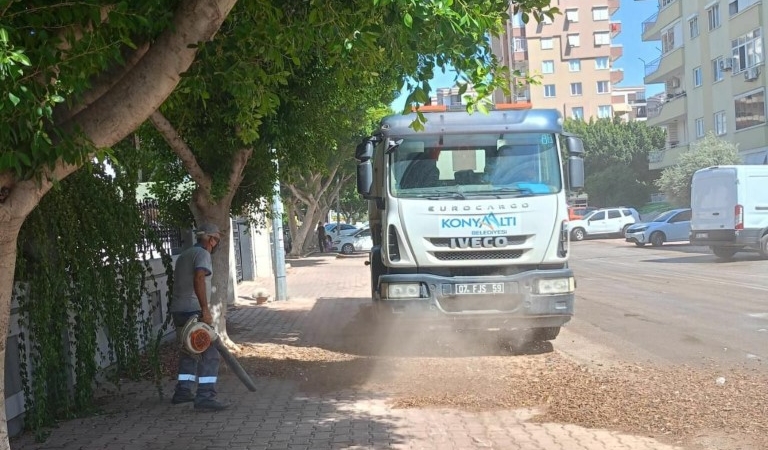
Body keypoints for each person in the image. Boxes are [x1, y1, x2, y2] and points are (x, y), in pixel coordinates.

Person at [170, 223, 229, 411]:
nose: (216, 243)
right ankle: (205, 396)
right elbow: (198, 278)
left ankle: (183, 391)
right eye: (217, 239)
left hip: (179, 310)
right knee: (210, 354)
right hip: (192, 311)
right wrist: (205, 309)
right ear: (211, 239)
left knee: (189, 352)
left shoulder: (185, 255)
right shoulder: (202, 254)